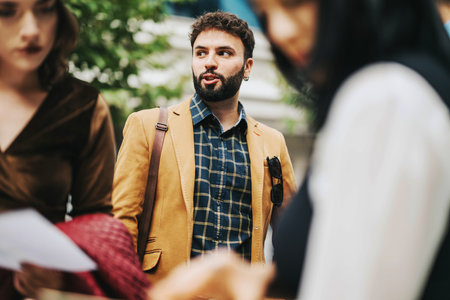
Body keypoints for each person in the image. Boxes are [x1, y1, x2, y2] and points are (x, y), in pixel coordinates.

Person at [143, 0, 450, 299]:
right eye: (264, 14)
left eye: (295, 3)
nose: (280, 31)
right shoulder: (404, 88)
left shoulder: (384, 100)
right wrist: (243, 277)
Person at [112, 11, 297, 283]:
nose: (209, 62)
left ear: (247, 67)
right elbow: (122, 221)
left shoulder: (271, 142)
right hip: (165, 290)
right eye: (201, 53)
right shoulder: (147, 126)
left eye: (224, 53)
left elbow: (290, 234)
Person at [0, 0, 149, 299]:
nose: (31, 30)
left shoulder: (84, 107)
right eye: (7, 10)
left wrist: (65, 275)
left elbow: (98, 227)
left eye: (44, 8)